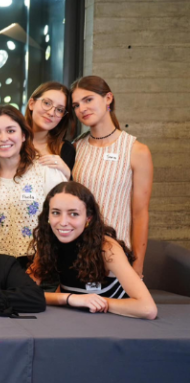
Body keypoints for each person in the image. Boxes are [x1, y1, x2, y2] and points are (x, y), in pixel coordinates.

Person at [28, 182, 157, 320]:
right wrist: (71, 299)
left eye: (74, 214)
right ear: (48, 216)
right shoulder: (49, 244)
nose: (63, 222)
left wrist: (95, 302)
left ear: (88, 218)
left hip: (117, 324)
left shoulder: (107, 249)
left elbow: (147, 308)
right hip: (74, 321)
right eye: (56, 213)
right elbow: (23, 293)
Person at [71, 76, 153, 277]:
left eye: (88, 100)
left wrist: (137, 267)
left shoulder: (136, 150)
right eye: (76, 105)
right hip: (76, 254)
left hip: (117, 257)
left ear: (108, 98)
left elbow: (140, 214)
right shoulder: (75, 148)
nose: (82, 108)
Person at [0, 105, 67, 268]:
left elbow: (64, 221)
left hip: (44, 264)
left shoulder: (46, 171)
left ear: (23, 135)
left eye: (10, 130)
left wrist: (41, 261)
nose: (3, 138)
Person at [25, 81, 75, 178]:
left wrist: (67, 174)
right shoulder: (10, 140)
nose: (51, 113)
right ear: (32, 104)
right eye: (47, 103)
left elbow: (69, 190)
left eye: (60, 110)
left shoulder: (65, 149)